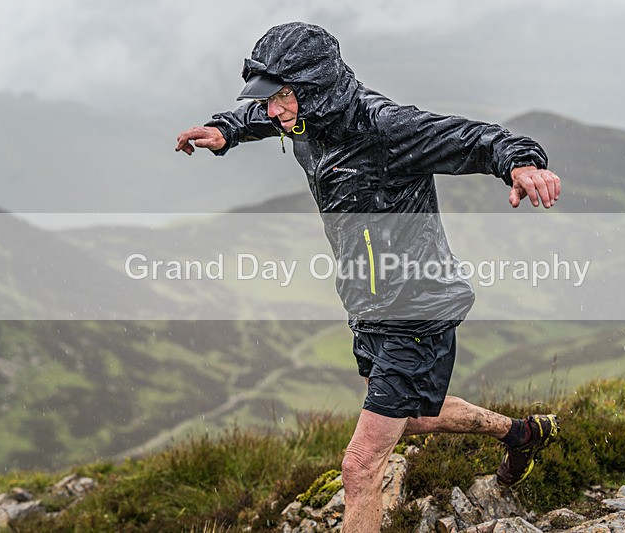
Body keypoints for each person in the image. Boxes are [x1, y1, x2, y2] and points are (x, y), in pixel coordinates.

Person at [176, 22, 561, 532]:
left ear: (315, 90)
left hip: (417, 306)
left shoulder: (385, 128)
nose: (274, 110)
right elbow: (262, 116)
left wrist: (521, 164)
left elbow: (476, 139)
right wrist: (226, 130)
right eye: (268, 98)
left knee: (360, 467)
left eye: (282, 98)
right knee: (417, 417)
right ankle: (520, 433)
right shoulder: (302, 117)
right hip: (368, 302)